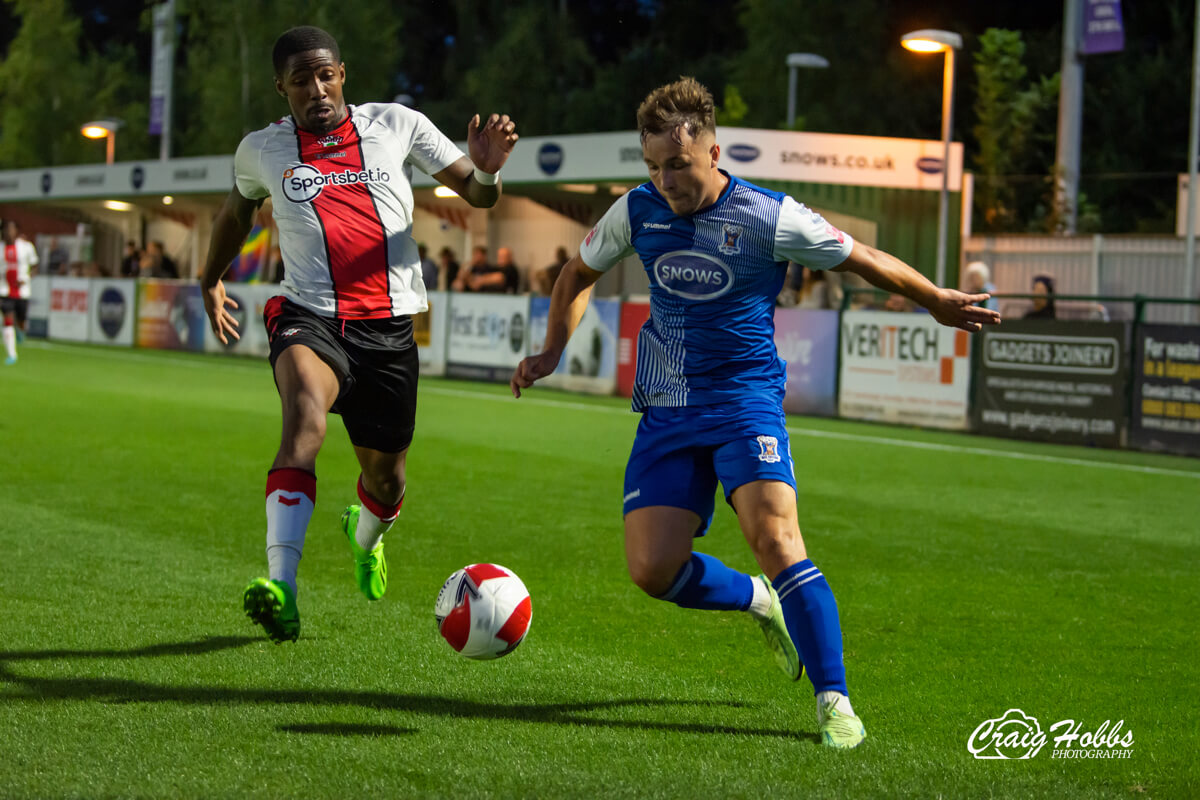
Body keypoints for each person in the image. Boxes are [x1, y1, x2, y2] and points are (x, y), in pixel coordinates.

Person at [510, 78, 999, 748]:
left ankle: (835, 702)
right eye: (653, 166)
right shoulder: (638, 211)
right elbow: (574, 274)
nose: (666, 180)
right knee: (653, 570)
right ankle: (755, 599)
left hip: (745, 399)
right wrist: (551, 350)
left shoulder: (771, 217)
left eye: (678, 165)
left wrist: (935, 299)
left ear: (714, 152)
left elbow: (864, 260)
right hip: (667, 400)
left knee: (776, 538)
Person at [200, 25, 518, 644]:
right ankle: (281, 587)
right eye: (300, 80)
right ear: (281, 88)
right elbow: (235, 214)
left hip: (390, 329)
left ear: (342, 74)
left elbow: (476, 195)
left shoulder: (397, 123)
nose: (316, 90)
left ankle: (364, 536)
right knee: (305, 424)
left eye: (325, 75)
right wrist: (209, 278)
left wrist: (488, 171)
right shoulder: (261, 150)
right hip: (310, 316)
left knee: (387, 481)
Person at [1, 219, 39, 363]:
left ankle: (20, 330)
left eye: (11, 229)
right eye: (6, 229)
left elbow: (35, 266)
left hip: (22, 291)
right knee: (8, 319)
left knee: (21, 320)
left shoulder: (26, 247)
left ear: (16, 230)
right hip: (4, 290)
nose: (8, 232)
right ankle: (12, 354)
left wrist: (26, 278)